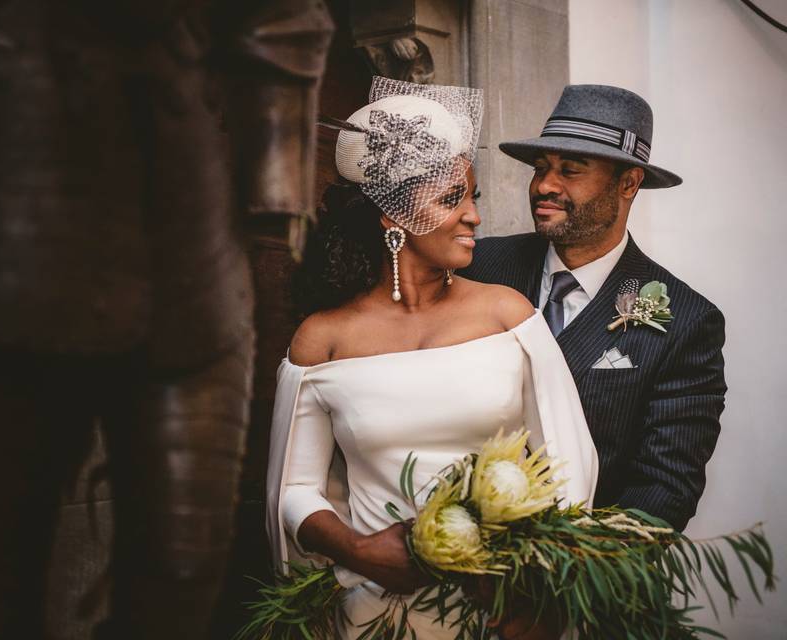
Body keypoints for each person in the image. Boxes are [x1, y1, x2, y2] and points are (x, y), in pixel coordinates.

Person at [265, 77, 599, 639]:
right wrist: (361, 550)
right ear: (391, 217)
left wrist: (541, 595)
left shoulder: (506, 316)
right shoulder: (320, 340)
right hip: (375, 611)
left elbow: (567, 464)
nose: (473, 215)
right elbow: (294, 490)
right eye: (452, 198)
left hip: (501, 608)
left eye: (473, 197)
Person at [460, 85, 726, 532]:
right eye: (541, 168)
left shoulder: (687, 321)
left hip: (578, 581)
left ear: (628, 183)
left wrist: (573, 567)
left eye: (571, 170)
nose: (545, 185)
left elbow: (666, 485)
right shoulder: (480, 266)